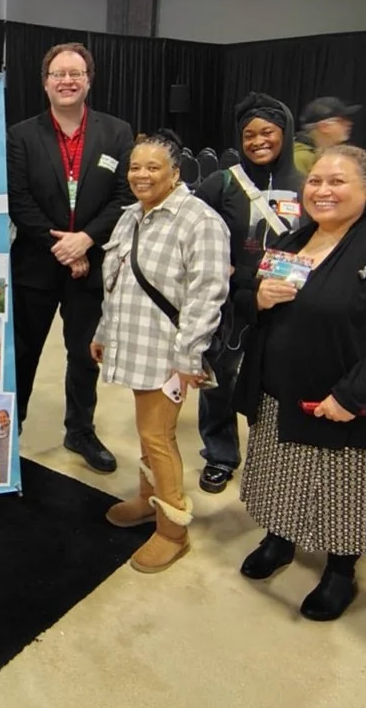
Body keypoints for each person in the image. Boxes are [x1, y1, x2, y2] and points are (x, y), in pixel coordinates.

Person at [235, 145, 366, 621]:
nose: (322, 190)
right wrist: (257, 299)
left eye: (337, 181)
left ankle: (341, 571)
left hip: (341, 402)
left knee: (342, 494)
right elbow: (248, 305)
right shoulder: (289, 241)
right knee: (278, 477)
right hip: (277, 394)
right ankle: (279, 538)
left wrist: (352, 394)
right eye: (316, 181)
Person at [91, 131, 229, 573]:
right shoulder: (129, 216)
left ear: (175, 172)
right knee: (147, 431)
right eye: (135, 167)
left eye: (153, 167)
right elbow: (115, 283)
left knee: (158, 436)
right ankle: (149, 501)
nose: (141, 175)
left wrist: (188, 358)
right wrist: (103, 330)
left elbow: (208, 295)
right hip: (132, 342)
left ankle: (173, 530)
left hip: (169, 353)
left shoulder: (199, 220)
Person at [7, 42, 132, 473]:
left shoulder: (117, 133)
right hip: (36, 265)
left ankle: (79, 429)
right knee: (24, 353)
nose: (67, 80)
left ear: (88, 80)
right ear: (45, 83)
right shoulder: (21, 136)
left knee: (84, 354)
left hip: (91, 265)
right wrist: (62, 246)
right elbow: (18, 201)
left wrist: (86, 242)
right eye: (58, 74)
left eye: (75, 73)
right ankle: (11, 431)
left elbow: (123, 198)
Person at [193, 93, 306, 494]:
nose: (258, 141)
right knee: (219, 381)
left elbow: (312, 244)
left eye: (267, 132)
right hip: (230, 305)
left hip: (287, 301)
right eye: (248, 135)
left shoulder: (307, 185)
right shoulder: (221, 181)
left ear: (285, 133)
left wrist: (267, 282)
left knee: (276, 387)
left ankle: (274, 463)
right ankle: (220, 454)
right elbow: (193, 232)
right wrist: (238, 278)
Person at [294, 97, 359, 176]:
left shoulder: (318, 155)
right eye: (341, 121)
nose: (349, 124)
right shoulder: (301, 158)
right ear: (324, 126)